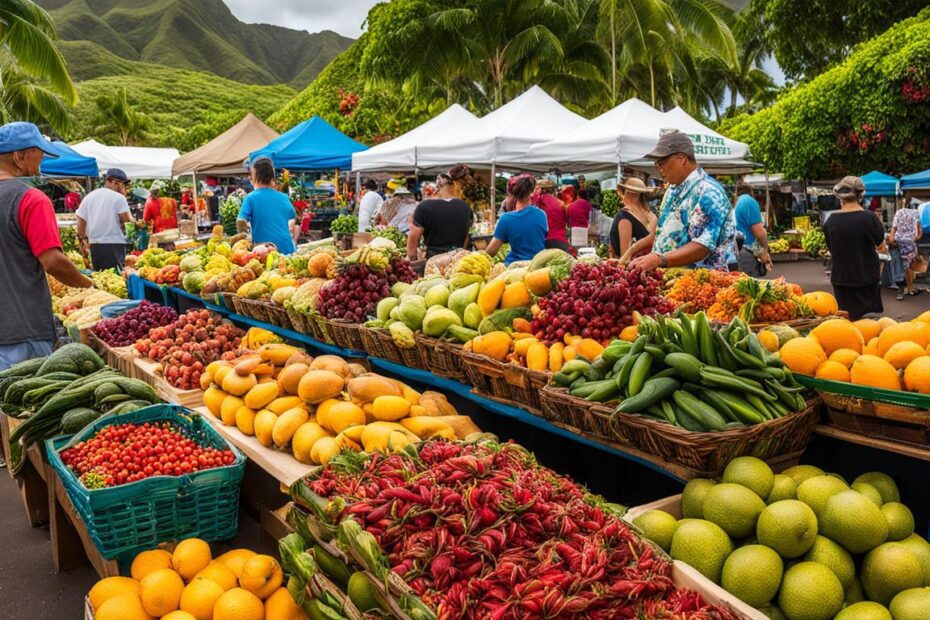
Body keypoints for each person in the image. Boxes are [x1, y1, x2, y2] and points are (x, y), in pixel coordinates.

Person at [0, 121, 93, 370]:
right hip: (23, 330)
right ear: (19, 157)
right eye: (38, 152)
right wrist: (87, 284)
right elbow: (52, 262)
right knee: (24, 405)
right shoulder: (30, 199)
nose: (41, 159)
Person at [630, 130, 736, 272]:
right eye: (656, 163)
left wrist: (660, 259)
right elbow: (662, 232)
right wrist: (632, 255)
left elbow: (703, 246)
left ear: (681, 159)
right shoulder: (672, 190)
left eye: (662, 161)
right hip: (672, 280)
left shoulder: (708, 191)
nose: (658, 167)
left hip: (702, 284)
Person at [823, 176, 885, 320]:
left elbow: (832, 250)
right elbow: (881, 247)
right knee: (868, 323)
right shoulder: (869, 218)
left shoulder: (830, 221)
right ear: (860, 195)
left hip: (841, 279)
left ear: (840, 196)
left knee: (846, 320)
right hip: (867, 277)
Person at [407, 165, 474, 260]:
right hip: (458, 260)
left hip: (434, 261)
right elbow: (467, 236)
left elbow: (413, 236)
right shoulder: (465, 207)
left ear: (440, 183)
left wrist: (413, 259)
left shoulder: (424, 206)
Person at [236, 157, 297, 254]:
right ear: (273, 177)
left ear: (253, 178)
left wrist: (247, 243)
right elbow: (293, 219)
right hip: (288, 249)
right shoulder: (284, 197)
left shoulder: (250, 198)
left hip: (264, 251)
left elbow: (241, 222)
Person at [76, 168, 132, 270]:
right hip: (114, 244)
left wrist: (85, 246)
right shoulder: (119, 198)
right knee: (115, 279)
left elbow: (80, 229)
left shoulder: (89, 197)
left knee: (101, 278)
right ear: (115, 182)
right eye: (123, 184)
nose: (124, 188)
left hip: (94, 245)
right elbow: (128, 223)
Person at [486, 174, 548, 265]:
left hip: (516, 267)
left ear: (511, 194)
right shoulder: (542, 214)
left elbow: (491, 252)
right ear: (530, 191)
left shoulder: (506, 219)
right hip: (538, 265)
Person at [610, 178, 657, 263]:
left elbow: (625, 258)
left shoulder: (624, 217)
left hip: (635, 269)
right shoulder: (651, 215)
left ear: (624, 191)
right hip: (653, 265)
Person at [734, 184, 772, 276]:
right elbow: (759, 231)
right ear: (751, 192)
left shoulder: (739, 203)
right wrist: (765, 250)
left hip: (741, 249)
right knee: (751, 286)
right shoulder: (749, 202)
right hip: (747, 251)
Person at [890, 201, 923, 299]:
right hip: (909, 242)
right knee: (909, 264)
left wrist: (892, 238)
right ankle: (910, 288)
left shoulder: (899, 212)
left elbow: (894, 226)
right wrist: (916, 237)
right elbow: (919, 230)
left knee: (900, 264)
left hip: (898, 241)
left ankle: (903, 287)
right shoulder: (916, 213)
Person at [534, 177, 570, 251]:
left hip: (543, 242)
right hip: (561, 241)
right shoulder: (561, 203)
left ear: (541, 189)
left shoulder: (538, 201)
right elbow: (568, 221)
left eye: (536, 189)